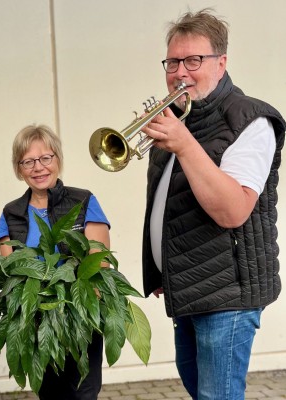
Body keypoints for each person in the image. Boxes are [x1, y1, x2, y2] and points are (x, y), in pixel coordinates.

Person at [140, 9, 286, 400]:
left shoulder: (251, 120)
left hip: (228, 295)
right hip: (188, 286)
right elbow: (172, 205)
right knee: (197, 388)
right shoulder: (178, 120)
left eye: (193, 60)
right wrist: (161, 268)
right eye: (173, 61)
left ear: (221, 63)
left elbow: (233, 209)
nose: (180, 72)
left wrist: (184, 144)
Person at [0, 124, 111, 400]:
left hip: (81, 316)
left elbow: (99, 263)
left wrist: (75, 307)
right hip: (35, 322)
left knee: (83, 392)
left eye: (46, 158)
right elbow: (8, 270)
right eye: (28, 161)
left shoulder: (83, 200)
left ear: (57, 159)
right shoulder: (11, 213)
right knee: (49, 393)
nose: (38, 167)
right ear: (19, 168)